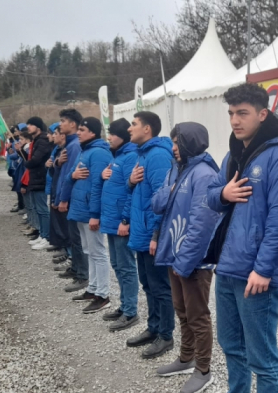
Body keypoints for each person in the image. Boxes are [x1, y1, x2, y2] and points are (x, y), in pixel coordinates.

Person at [206, 83, 278, 393]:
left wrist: (264, 269)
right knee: (231, 347)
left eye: (243, 113)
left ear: (263, 114)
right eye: (231, 113)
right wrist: (223, 193)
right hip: (226, 268)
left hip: (256, 275)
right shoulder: (233, 156)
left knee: (262, 359)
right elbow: (210, 197)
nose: (235, 120)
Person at [151, 122, 220, 393]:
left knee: (198, 315)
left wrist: (185, 262)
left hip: (193, 261)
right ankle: (186, 357)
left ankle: (203, 370)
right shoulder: (176, 169)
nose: (173, 148)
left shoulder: (203, 175)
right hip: (174, 255)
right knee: (182, 311)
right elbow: (157, 204)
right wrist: (167, 191)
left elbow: (201, 225)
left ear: (190, 143)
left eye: (177, 142)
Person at [125, 111, 176, 360]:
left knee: (160, 287)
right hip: (141, 231)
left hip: (150, 233)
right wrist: (130, 182)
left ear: (147, 129)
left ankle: (166, 335)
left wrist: (156, 233)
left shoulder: (156, 156)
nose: (129, 129)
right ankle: (153, 327)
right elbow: (137, 192)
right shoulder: (142, 154)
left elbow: (162, 198)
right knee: (148, 284)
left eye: (133, 125)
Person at [66, 117, 113, 314]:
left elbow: (98, 185)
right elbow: (71, 175)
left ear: (93, 133)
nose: (78, 132)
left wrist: (95, 214)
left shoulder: (99, 153)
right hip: (81, 210)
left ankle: (103, 295)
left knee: (98, 252)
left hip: (89, 212)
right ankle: (93, 288)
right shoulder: (85, 150)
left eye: (83, 129)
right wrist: (72, 176)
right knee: (88, 250)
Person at [100, 118, 140, 331]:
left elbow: (131, 191)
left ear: (122, 136)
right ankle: (124, 306)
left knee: (126, 267)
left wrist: (126, 221)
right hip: (111, 220)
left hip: (120, 222)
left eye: (112, 134)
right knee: (117, 265)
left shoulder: (130, 156)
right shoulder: (118, 155)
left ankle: (131, 311)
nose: (108, 138)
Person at [55, 109, 88, 292]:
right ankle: (76, 268)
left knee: (77, 239)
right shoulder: (70, 145)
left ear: (73, 124)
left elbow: (72, 175)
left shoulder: (75, 146)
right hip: (69, 198)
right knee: (74, 237)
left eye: (63, 121)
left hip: (74, 199)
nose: (60, 125)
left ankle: (82, 275)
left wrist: (64, 198)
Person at [23, 117, 54, 250]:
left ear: (38, 127)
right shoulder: (37, 141)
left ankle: (46, 236)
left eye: (31, 124)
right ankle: (42, 234)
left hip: (40, 179)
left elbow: (35, 160)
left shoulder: (42, 141)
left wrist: (27, 163)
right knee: (38, 209)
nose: (28, 126)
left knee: (42, 210)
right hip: (35, 179)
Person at [45, 122, 69, 254]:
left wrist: (59, 197)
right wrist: (52, 164)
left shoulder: (69, 149)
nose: (52, 136)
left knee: (65, 227)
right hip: (55, 188)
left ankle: (68, 254)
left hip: (61, 193)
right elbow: (55, 171)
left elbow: (66, 176)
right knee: (58, 222)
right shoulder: (57, 149)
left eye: (54, 133)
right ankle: (62, 248)